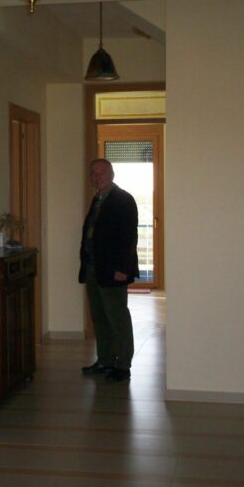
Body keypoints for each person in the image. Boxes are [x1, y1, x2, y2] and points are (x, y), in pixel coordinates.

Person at [78, 158, 139, 382]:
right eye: (93, 173)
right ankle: (105, 360)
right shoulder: (98, 199)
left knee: (117, 317)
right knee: (100, 317)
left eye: (101, 172)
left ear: (112, 174)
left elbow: (129, 237)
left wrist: (123, 268)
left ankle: (122, 365)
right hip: (93, 268)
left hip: (114, 270)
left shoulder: (123, 199)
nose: (97, 177)